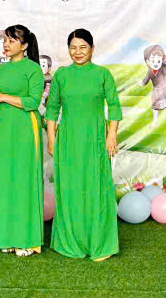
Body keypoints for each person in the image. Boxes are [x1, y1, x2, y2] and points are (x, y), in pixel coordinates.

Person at [45, 28, 121, 261]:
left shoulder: (102, 74)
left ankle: (99, 243)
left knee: (96, 188)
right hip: (68, 139)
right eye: (73, 48)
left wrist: (111, 134)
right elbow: (52, 109)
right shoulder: (62, 76)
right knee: (70, 188)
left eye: (83, 47)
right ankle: (71, 242)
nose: (77, 52)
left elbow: (114, 106)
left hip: (95, 138)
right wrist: (51, 138)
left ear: (92, 49)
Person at [0, 24, 45, 256]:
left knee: (23, 180)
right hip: (4, 126)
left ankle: (27, 240)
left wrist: (2, 97)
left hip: (26, 127)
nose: (6, 45)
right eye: (5, 40)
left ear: (24, 45)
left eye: (11, 40)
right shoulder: (2, 69)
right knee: (5, 179)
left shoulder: (33, 69)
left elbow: (32, 102)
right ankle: (6, 237)